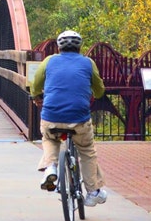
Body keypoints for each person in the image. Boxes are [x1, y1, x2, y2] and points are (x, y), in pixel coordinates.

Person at [30, 30, 108, 207]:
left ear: (58, 47)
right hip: (79, 119)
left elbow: (35, 84)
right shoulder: (88, 63)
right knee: (86, 150)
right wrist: (94, 93)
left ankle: (51, 167)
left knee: (50, 138)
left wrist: (36, 96)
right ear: (80, 47)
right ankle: (93, 192)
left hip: (51, 116)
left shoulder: (49, 61)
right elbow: (99, 90)